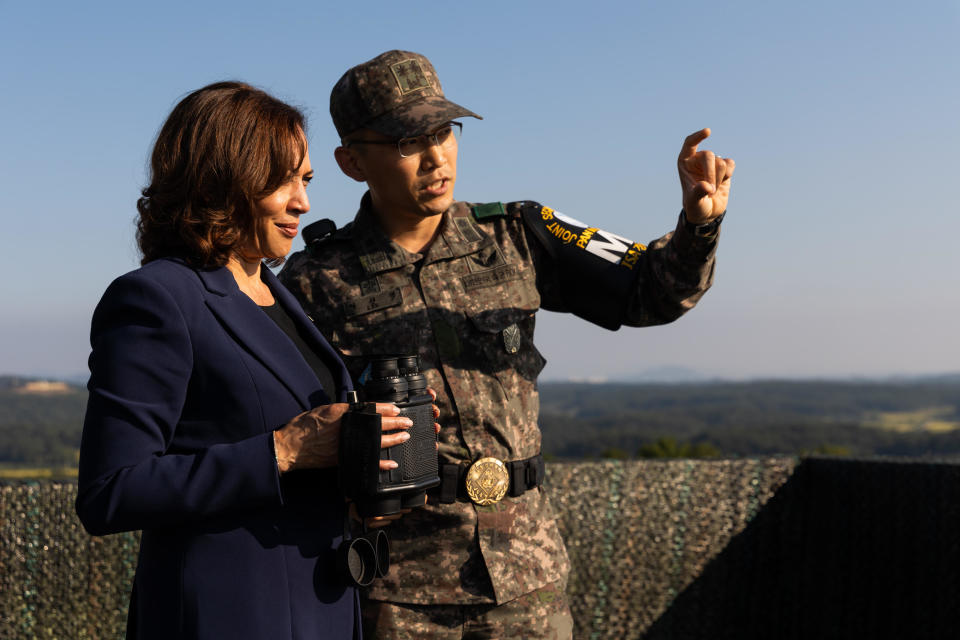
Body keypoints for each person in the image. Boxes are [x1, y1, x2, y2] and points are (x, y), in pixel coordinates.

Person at [279, 50, 735, 639]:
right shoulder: (314, 282)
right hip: (399, 595)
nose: (436, 156)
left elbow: (651, 291)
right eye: (405, 142)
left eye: (444, 132)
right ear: (351, 162)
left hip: (528, 580)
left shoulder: (520, 233)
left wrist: (698, 225)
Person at [75, 81, 418, 640]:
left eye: (305, 180)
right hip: (227, 616)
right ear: (220, 179)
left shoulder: (281, 295)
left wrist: (360, 492)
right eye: (281, 180)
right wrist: (283, 451)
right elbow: (111, 491)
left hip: (325, 610)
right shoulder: (158, 298)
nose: (303, 202)